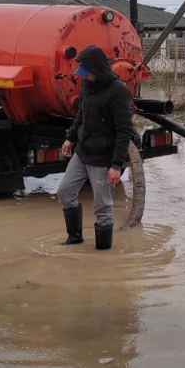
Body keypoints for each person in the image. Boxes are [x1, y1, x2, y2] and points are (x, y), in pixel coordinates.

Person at [57, 45, 134, 250]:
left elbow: (124, 131)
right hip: (83, 152)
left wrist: (116, 165)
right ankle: (74, 238)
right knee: (65, 191)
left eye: (86, 72)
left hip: (103, 157)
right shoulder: (87, 85)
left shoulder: (118, 91)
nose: (84, 76)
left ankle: (103, 253)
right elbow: (81, 114)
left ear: (97, 69)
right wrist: (70, 138)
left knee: (102, 206)